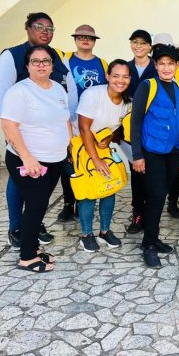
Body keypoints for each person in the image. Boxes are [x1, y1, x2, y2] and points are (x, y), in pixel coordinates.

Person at [0, 12, 76, 250]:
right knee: (20, 182)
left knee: (40, 191)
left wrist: (69, 128)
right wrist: (11, 129)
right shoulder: (12, 55)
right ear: (27, 28)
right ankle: (17, 228)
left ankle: (34, 224)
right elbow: (0, 91)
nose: (45, 32)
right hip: (23, 135)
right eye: (40, 27)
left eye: (50, 29)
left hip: (51, 134)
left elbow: (69, 91)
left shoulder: (58, 56)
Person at [0, 45, 72, 272]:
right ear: (28, 66)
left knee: (39, 205)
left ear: (52, 66)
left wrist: (69, 147)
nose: (41, 65)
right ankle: (27, 257)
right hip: (29, 161)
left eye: (46, 61)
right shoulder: (19, 91)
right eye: (35, 61)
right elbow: (8, 126)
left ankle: (32, 245)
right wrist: (27, 157)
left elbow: (65, 120)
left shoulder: (58, 89)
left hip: (55, 159)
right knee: (35, 205)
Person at [130, 45, 179, 268]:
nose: (166, 68)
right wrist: (137, 155)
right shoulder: (147, 86)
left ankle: (153, 237)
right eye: (161, 63)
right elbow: (136, 121)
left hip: (173, 151)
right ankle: (149, 245)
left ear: (177, 65)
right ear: (155, 65)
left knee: (161, 195)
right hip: (153, 151)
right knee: (155, 197)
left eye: (170, 63)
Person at [75, 59, 132, 253]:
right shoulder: (93, 94)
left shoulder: (127, 103)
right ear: (107, 76)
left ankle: (104, 231)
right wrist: (96, 160)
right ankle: (86, 234)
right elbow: (83, 128)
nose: (120, 80)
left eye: (125, 77)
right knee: (89, 191)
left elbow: (118, 129)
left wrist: (108, 139)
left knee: (109, 187)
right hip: (82, 145)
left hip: (102, 145)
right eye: (115, 76)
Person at [57, 24, 109, 223]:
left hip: (93, 122)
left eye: (89, 37)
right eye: (81, 37)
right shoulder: (66, 60)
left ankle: (84, 200)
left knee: (88, 160)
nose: (85, 40)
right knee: (70, 162)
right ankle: (68, 203)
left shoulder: (102, 64)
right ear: (75, 40)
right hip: (70, 119)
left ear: (95, 41)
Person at [151, 33, 179, 219]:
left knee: (174, 174)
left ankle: (173, 202)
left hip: (175, 136)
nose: (166, 66)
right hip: (155, 139)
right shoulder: (150, 78)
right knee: (154, 181)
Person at [125, 29, 154, 235]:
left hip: (153, 129)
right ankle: (138, 213)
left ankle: (151, 212)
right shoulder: (125, 68)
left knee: (152, 174)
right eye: (135, 42)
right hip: (131, 129)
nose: (139, 46)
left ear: (149, 46)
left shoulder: (157, 67)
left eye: (143, 43)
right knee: (136, 172)